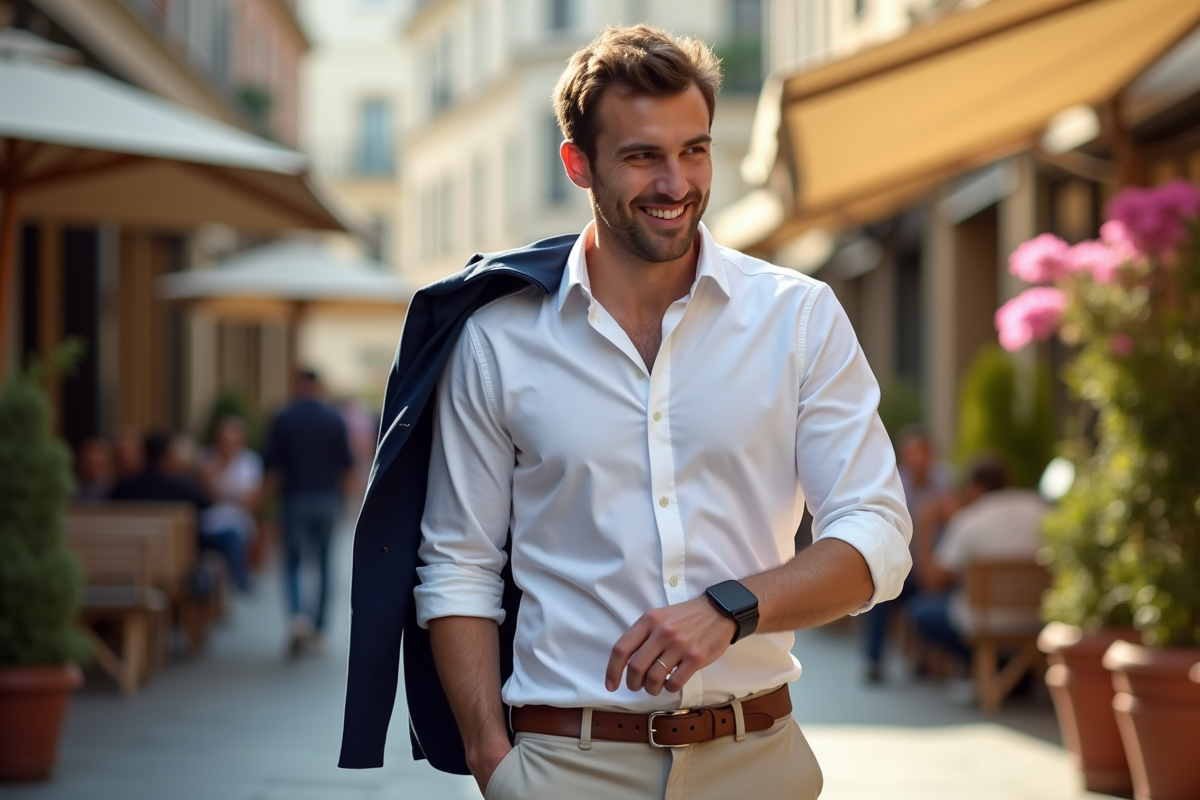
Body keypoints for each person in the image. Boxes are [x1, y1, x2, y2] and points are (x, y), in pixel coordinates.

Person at [339, 26, 912, 798]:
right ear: (579, 163)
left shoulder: (798, 317)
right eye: (642, 156)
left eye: (694, 150)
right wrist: (492, 763)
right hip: (568, 764)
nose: (675, 183)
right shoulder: (496, 341)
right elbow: (458, 566)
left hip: (757, 758)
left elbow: (877, 536)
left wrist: (730, 608)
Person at [908, 457, 1047, 675]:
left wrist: (925, 525)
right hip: (1039, 617)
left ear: (976, 489)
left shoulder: (969, 520)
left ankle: (983, 671)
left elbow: (931, 582)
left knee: (921, 611)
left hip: (987, 622)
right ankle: (1016, 675)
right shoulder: (1041, 510)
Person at [263, 369, 353, 657]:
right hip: (327, 500)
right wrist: (349, 504)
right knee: (325, 564)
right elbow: (347, 468)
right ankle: (320, 630)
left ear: (298, 385)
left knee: (292, 562)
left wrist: (263, 509)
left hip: (294, 499)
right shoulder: (334, 419)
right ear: (320, 386)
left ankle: (297, 619)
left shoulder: (283, 418)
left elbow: (270, 466)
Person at [861, 426, 955, 682]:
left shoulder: (946, 482)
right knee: (877, 594)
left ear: (930, 454)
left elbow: (956, 523)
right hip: (902, 567)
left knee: (938, 594)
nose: (916, 460)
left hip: (937, 568)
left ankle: (927, 659)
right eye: (910, 454)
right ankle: (873, 660)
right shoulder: (893, 484)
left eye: (920, 453)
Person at [198, 417, 261, 593]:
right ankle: (240, 580)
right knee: (228, 537)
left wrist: (224, 493)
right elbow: (205, 492)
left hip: (238, 522)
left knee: (233, 535)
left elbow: (251, 500)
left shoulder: (250, 461)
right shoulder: (208, 458)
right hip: (208, 523)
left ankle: (238, 581)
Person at [74, 436, 114, 502]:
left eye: (99, 465)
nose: (95, 470)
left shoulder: (112, 489)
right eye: (90, 464)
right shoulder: (71, 486)